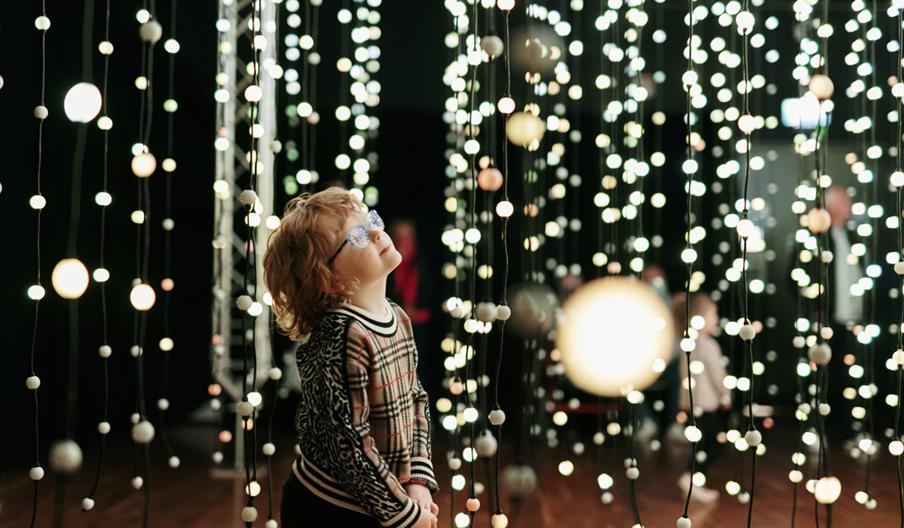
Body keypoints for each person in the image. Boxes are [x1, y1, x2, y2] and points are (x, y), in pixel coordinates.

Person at [263, 187, 439, 528]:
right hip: (331, 509)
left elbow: (416, 399)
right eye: (357, 235)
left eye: (371, 220)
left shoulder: (398, 317)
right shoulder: (342, 336)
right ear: (329, 280)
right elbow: (347, 444)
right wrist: (401, 512)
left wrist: (417, 479)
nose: (376, 232)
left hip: (385, 499)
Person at [674, 292, 730, 503]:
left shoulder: (687, 344)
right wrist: (726, 394)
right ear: (700, 316)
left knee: (703, 445)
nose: (716, 318)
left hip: (690, 405)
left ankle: (693, 480)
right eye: (713, 313)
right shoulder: (708, 345)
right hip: (704, 405)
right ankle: (690, 478)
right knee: (712, 443)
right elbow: (717, 375)